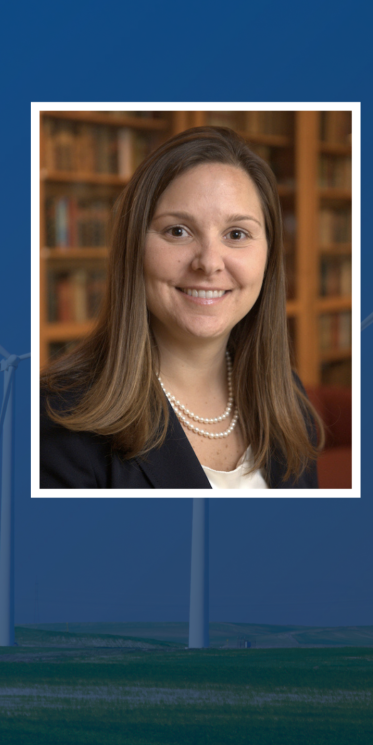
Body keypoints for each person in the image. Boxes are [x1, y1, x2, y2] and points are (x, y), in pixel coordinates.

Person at [41, 125, 320, 489]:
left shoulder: (289, 401)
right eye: (177, 231)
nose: (208, 263)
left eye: (236, 234)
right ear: (133, 247)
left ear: (268, 256)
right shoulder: (59, 420)